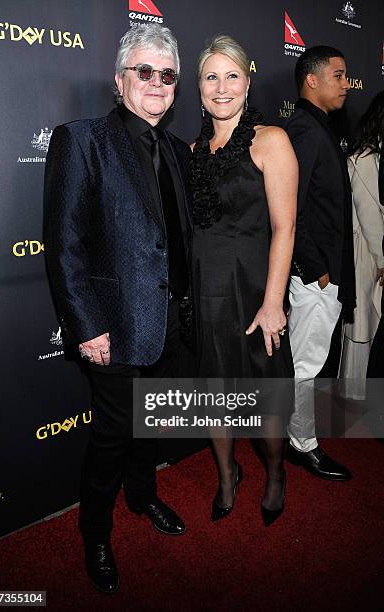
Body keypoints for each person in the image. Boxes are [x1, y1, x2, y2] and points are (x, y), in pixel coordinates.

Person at [43, 24, 192, 595]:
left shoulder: (177, 151)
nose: (157, 83)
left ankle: (144, 494)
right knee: (110, 437)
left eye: (167, 74)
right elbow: (64, 243)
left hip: (169, 322)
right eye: (145, 72)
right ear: (120, 79)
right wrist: (85, 326)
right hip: (113, 328)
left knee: (149, 424)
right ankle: (95, 535)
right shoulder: (82, 140)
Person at [191, 35, 298, 526]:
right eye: (211, 76)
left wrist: (274, 301)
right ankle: (226, 473)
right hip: (207, 293)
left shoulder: (270, 140)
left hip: (257, 291)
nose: (221, 87)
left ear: (248, 83)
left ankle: (275, 472)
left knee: (267, 394)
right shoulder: (192, 149)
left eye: (231, 75)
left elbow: (285, 227)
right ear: (198, 88)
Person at [284, 46, 356, 479]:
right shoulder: (306, 131)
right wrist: (317, 270)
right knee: (305, 367)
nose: (347, 84)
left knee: (308, 364)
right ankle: (302, 445)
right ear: (313, 80)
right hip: (315, 277)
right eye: (339, 75)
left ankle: (299, 437)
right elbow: (292, 207)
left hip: (322, 275)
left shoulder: (317, 127)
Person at [340, 92, 384, 399]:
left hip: (376, 252)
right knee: (362, 326)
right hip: (366, 254)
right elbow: (370, 217)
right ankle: (355, 394)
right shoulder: (364, 160)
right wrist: (383, 260)